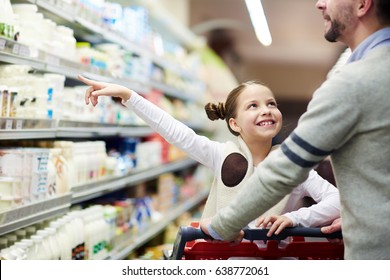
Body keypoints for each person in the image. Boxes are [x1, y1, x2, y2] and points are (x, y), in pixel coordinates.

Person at [201, 0, 390, 260]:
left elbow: (285, 170)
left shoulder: (352, 82)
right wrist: (357, 215)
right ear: (233, 123)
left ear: (362, 4)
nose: (319, 4)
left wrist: (220, 226)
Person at [78, 76, 340, 236]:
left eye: (271, 103)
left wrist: (293, 218)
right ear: (234, 124)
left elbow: (338, 201)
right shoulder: (220, 154)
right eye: (253, 106)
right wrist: (129, 96)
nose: (267, 110)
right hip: (225, 262)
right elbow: (177, 133)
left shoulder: (293, 166)